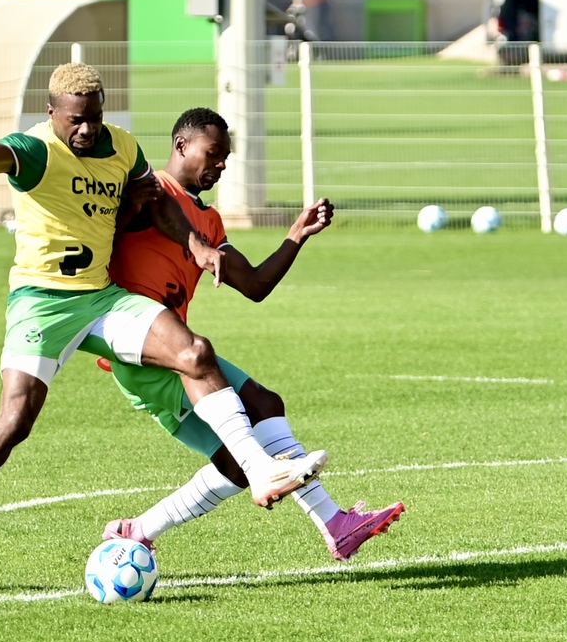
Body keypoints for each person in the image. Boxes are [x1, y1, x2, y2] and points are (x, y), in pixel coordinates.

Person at [0, 64, 327, 586]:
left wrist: (199, 247)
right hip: (42, 303)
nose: (86, 131)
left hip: (100, 298)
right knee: (14, 424)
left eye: (94, 119)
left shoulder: (121, 147)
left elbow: (162, 206)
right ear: (51, 113)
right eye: (76, 121)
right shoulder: (35, 151)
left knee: (195, 353)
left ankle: (259, 471)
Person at [97, 107, 403, 561]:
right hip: (143, 353)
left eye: (226, 157)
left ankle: (139, 529)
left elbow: (256, 285)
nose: (220, 164)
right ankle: (335, 523)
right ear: (181, 146)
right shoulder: (151, 191)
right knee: (253, 428)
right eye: (213, 153)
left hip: (179, 347)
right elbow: (113, 227)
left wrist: (296, 236)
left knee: (258, 421)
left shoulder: (209, 220)